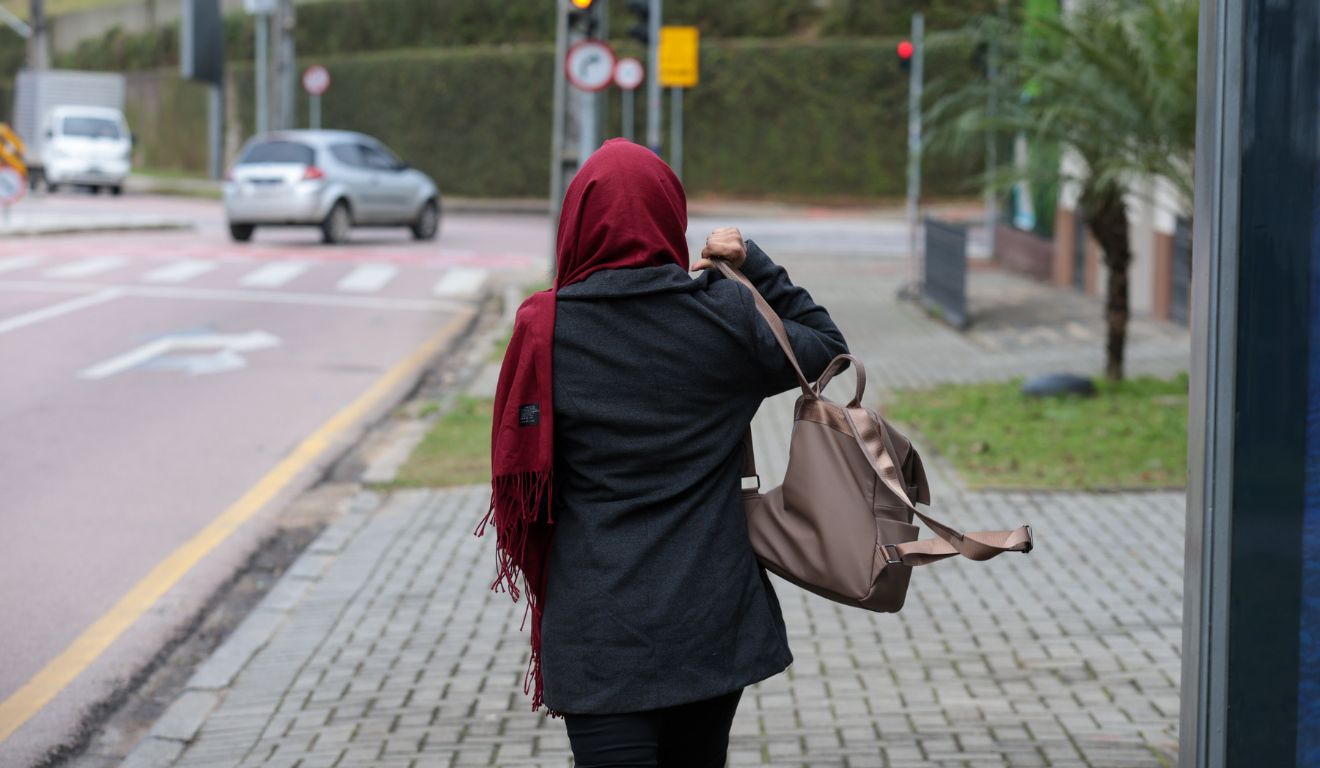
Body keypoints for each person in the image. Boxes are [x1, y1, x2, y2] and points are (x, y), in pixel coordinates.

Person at [479, 139, 848, 767]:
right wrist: (753, 263)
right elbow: (825, 346)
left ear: (576, 223)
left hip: (599, 625)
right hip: (709, 621)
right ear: (669, 218)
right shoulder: (724, 314)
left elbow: (524, 484)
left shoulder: (545, 327)